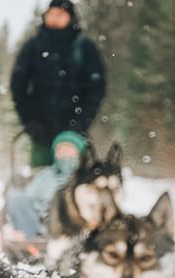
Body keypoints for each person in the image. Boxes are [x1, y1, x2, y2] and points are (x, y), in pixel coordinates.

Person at [10, 0, 106, 168]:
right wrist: (30, 121)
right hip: (40, 130)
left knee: (72, 177)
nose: (54, 18)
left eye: (60, 14)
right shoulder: (33, 47)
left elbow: (95, 89)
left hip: (74, 132)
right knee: (40, 175)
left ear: (70, 18)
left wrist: (80, 122)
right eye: (51, 14)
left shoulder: (84, 48)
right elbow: (17, 85)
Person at [5, 130, 86, 238]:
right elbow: (29, 195)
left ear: (79, 153)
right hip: (42, 223)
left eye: (68, 149)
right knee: (17, 197)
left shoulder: (85, 176)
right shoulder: (46, 174)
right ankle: (30, 239)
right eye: (59, 149)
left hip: (72, 224)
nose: (63, 152)